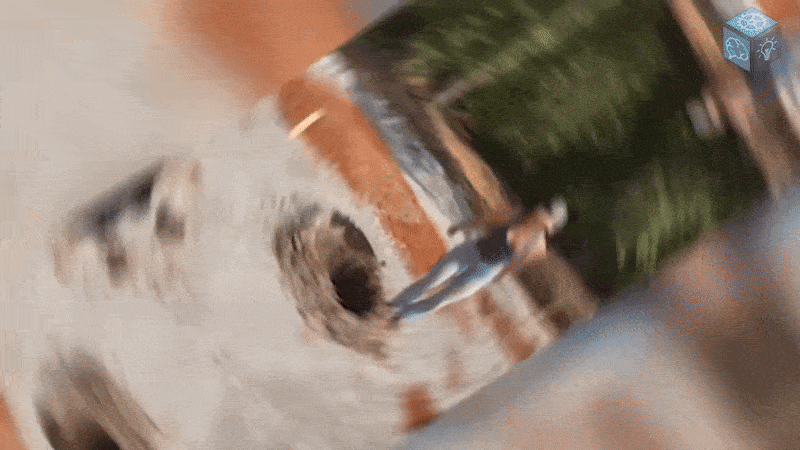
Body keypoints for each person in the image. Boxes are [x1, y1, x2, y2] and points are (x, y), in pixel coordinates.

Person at [391, 197, 568, 319]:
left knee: (440, 300)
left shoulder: (538, 247)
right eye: (543, 210)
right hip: (471, 251)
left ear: (551, 226)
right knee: (432, 280)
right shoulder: (514, 215)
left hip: (484, 272)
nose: (542, 214)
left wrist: (499, 275)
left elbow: (517, 265)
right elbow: (486, 220)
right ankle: (394, 305)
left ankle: (401, 316)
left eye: (548, 215)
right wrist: (461, 227)